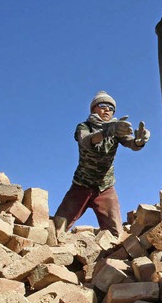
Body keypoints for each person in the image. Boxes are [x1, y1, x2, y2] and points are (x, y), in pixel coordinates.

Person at [54, 91, 150, 238]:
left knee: (115, 235)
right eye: (103, 105)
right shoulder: (84, 127)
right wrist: (106, 131)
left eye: (111, 108)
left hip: (105, 187)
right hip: (81, 185)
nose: (107, 110)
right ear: (94, 109)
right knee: (57, 227)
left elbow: (130, 142)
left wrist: (139, 141)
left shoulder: (117, 129)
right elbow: (86, 141)